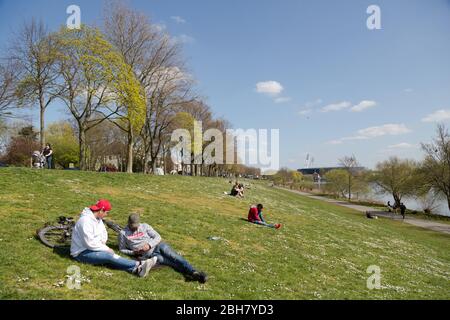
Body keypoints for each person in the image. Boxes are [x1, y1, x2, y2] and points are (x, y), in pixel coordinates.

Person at [70, 199, 157, 277]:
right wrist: (106, 248)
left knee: (111, 257)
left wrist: (103, 243)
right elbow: (89, 243)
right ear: (101, 210)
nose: (106, 215)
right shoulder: (85, 221)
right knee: (109, 256)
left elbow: (103, 233)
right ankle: (139, 264)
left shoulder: (98, 219)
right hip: (81, 253)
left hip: (93, 248)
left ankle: (136, 270)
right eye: (106, 212)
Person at [119, 213, 208, 283]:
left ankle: (194, 272)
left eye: (137, 226)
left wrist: (149, 245)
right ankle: (192, 275)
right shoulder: (123, 233)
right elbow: (122, 249)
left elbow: (158, 237)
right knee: (171, 263)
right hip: (150, 255)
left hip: (158, 246)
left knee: (175, 257)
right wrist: (133, 253)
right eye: (133, 226)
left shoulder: (145, 226)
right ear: (129, 223)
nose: (135, 228)